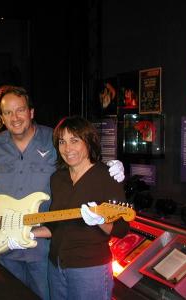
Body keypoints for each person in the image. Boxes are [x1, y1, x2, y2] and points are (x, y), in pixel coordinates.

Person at [0, 86, 125, 300]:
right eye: (8, 112)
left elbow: (79, 155)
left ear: (31, 112)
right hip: (5, 241)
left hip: (44, 247)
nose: (15, 117)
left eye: (20, 110)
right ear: (1, 116)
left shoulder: (54, 139)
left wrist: (109, 166)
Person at [32, 115, 130, 300]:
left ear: (88, 141)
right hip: (56, 266)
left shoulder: (107, 176)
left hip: (90, 270)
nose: (68, 148)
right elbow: (55, 226)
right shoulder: (57, 178)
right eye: (62, 141)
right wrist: (26, 234)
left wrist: (101, 220)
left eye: (74, 140)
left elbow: (122, 228)